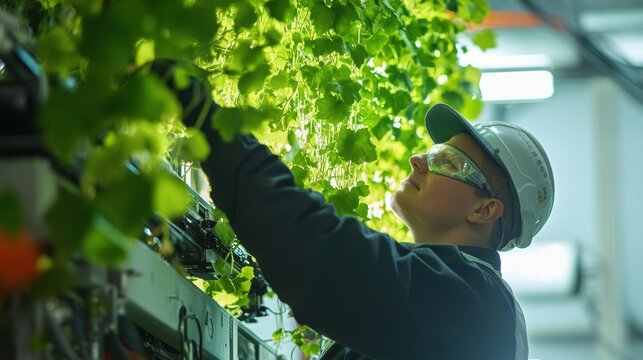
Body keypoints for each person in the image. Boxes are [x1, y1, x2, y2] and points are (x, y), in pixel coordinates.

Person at [156, 64, 555, 360]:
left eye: (447, 161)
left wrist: (212, 124)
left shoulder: (474, 303)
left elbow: (325, 257)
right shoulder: (462, 297)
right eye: (431, 152)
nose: (418, 160)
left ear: (485, 209)